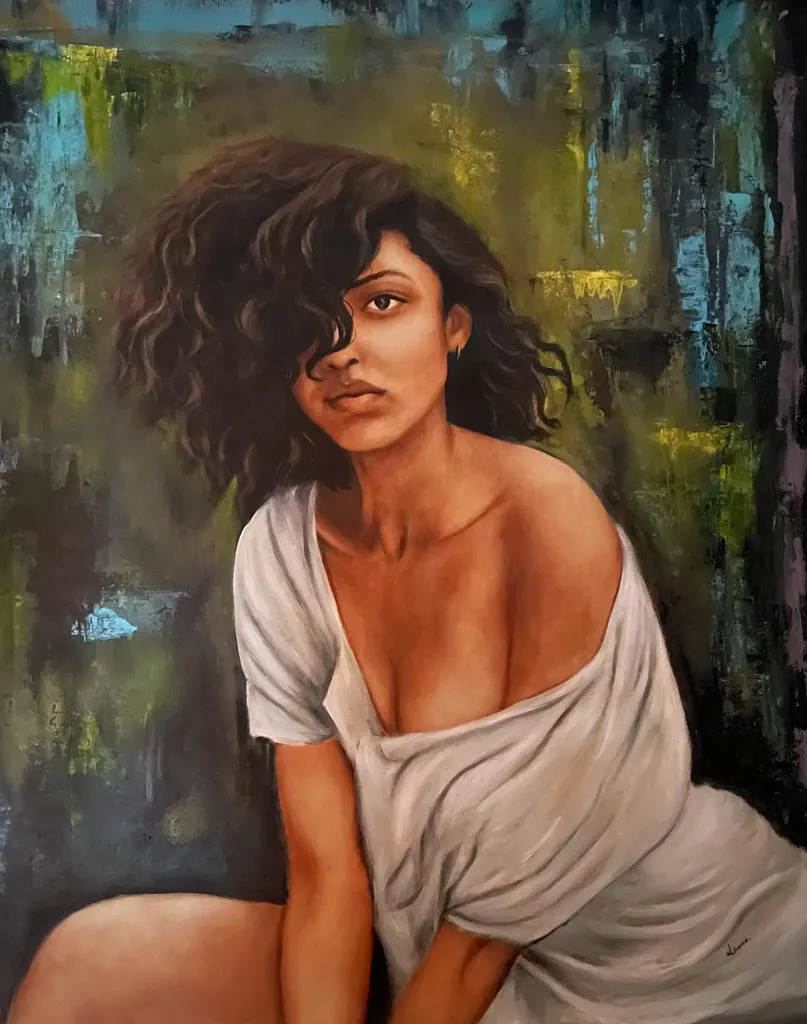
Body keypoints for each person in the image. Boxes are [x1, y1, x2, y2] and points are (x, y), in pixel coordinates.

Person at [8, 137, 807, 1024]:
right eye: (304, 323)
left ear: (452, 326)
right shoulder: (282, 549)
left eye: (381, 303)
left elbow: (483, 944)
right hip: (418, 952)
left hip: (676, 973)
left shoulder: (545, 522)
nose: (339, 351)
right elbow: (328, 882)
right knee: (87, 963)